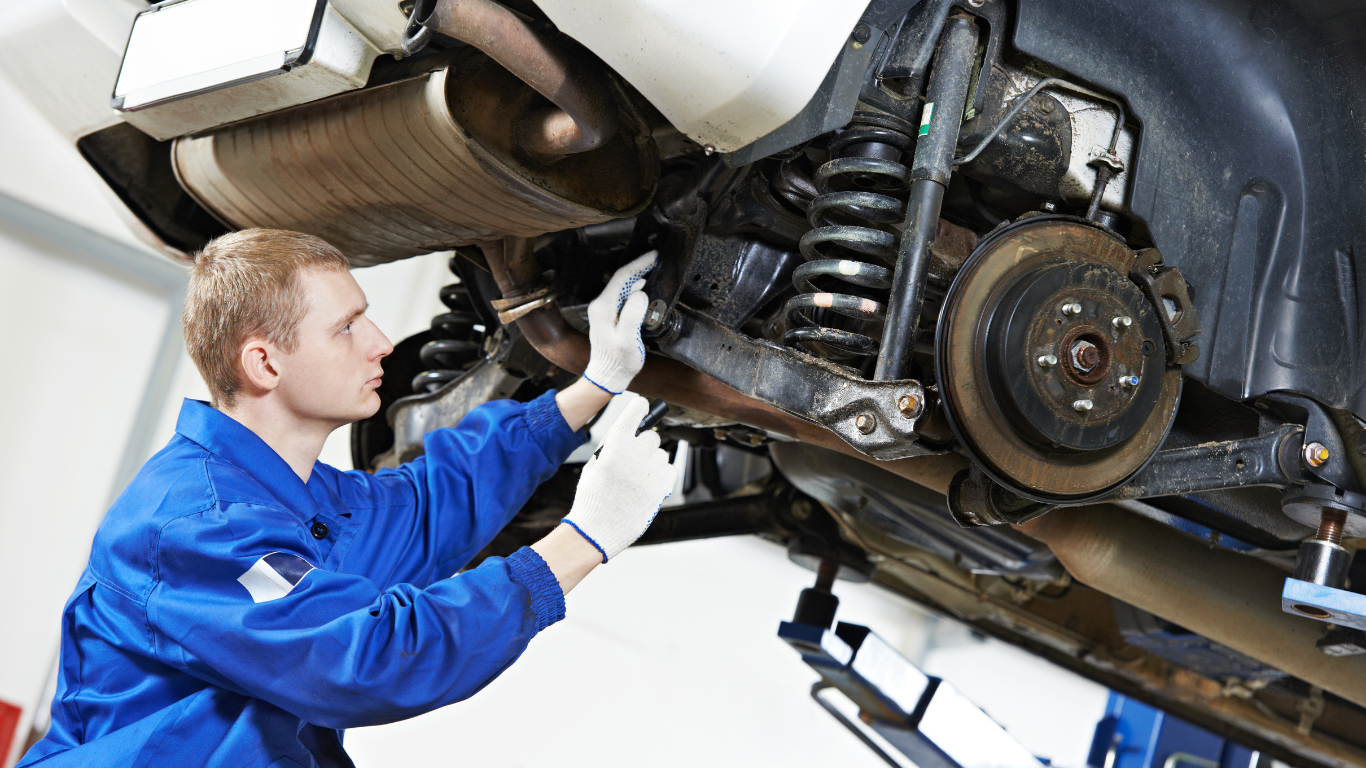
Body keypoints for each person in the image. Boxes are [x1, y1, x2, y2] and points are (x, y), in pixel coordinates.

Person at [18, 229, 676, 767]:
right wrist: (584, 538)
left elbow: (424, 511)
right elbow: (370, 659)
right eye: (347, 327)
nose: (382, 343)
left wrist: (595, 383)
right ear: (265, 364)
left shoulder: (288, 497)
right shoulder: (198, 527)